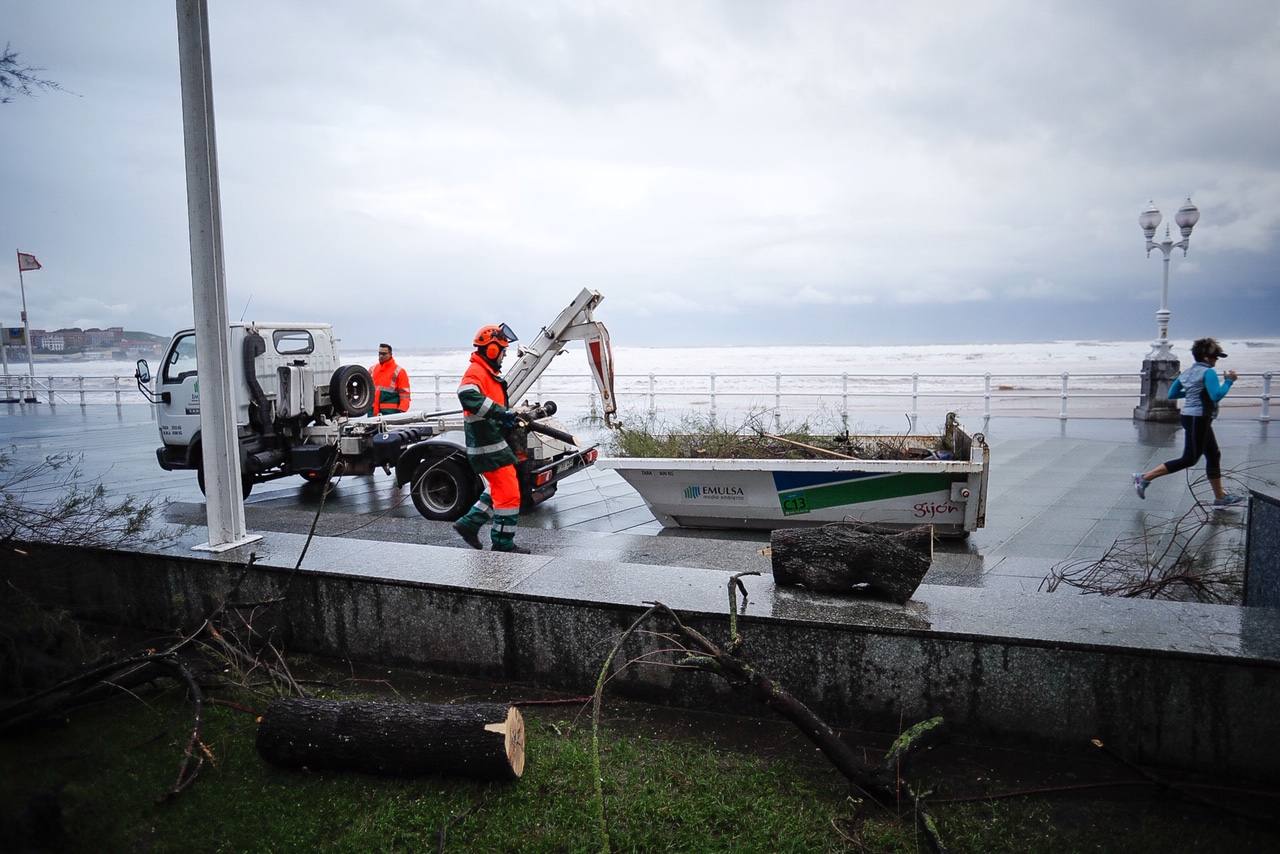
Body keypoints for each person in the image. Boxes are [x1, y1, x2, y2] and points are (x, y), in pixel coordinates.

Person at [1133, 337, 1243, 507]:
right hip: (1199, 418)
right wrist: (1229, 381)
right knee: (1189, 458)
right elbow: (1216, 396)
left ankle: (1220, 497)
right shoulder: (1208, 373)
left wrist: (1192, 393)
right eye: (1215, 356)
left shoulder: (1188, 372)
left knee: (1213, 454)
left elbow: (1172, 394)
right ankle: (1144, 478)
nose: (1216, 360)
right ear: (1206, 357)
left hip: (1190, 417)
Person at [451, 323, 530, 553]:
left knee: (499, 486)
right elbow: (466, 395)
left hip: (491, 442)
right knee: (509, 493)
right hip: (487, 445)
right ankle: (503, 544)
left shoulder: (487, 372)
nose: (504, 356)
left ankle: (469, 524)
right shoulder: (476, 372)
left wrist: (505, 417)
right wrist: (500, 413)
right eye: (502, 351)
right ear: (492, 350)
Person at [369, 343, 411, 416]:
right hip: (372, 412)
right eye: (379, 353)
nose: (381, 356)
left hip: (390, 412)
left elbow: (405, 394)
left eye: (384, 354)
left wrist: (402, 410)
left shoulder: (399, 371)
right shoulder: (372, 369)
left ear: (390, 354)